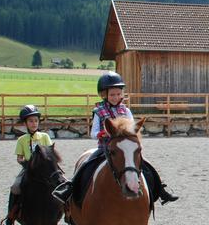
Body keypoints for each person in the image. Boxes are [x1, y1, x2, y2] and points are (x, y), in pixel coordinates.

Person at [52, 72, 178, 210]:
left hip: (125, 149)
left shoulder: (126, 111)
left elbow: (132, 129)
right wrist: (101, 133)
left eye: (118, 94)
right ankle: (69, 189)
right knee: (86, 165)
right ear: (104, 95)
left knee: (147, 165)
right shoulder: (98, 111)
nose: (115, 97)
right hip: (105, 148)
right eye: (112, 94)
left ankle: (161, 190)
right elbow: (93, 133)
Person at [0, 104, 53, 225]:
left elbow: (51, 153)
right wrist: (27, 164)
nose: (34, 123)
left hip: (45, 170)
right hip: (28, 170)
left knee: (61, 182)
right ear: (25, 123)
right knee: (15, 187)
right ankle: (10, 216)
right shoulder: (22, 140)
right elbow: (19, 158)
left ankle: (67, 211)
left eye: (36, 121)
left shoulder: (44, 137)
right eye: (30, 121)